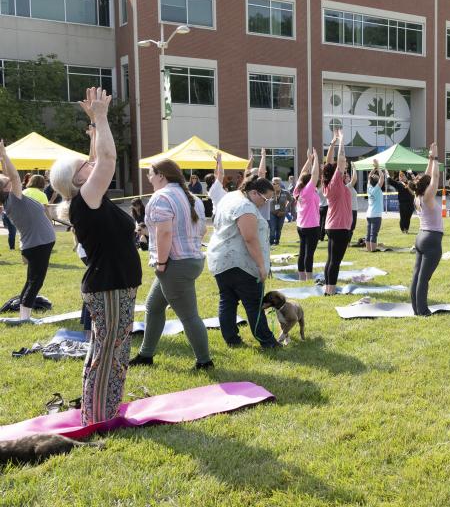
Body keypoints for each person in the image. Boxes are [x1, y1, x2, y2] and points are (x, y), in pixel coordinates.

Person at [50, 87, 142, 426]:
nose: (90, 163)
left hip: (114, 284)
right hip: (110, 286)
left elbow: (96, 159)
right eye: (83, 166)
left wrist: (95, 127)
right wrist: (102, 117)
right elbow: (107, 160)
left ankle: (98, 409)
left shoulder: (89, 199)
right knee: (109, 353)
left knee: (108, 350)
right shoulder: (84, 201)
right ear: (76, 180)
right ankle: (100, 416)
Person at [128, 159, 212, 370]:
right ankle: (146, 355)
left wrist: (162, 262)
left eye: (150, 174)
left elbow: (165, 232)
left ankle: (205, 362)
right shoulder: (192, 198)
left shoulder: (161, 197)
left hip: (175, 263)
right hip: (190, 260)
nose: (148, 178)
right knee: (153, 306)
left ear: (161, 176)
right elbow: (201, 230)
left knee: (189, 315)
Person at [206, 175, 280, 349]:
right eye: (265, 199)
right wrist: (262, 266)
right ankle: (268, 342)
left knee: (228, 300)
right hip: (239, 263)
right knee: (254, 303)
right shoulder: (245, 207)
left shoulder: (231, 196)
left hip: (220, 260)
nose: (265, 203)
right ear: (254, 192)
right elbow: (250, 238)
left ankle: (232, 339)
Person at [0, 142, 57, 323]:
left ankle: (23, 314)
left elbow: (10, 176)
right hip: (37, 245)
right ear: (6, 188)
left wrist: (2, 159)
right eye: (5, 180)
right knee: (35, 281)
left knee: (32, 280)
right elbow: (14, 176)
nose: (8, 177)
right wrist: (4, 153)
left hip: (36, 244)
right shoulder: (15, 199)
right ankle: (24, 317)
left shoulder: (14, 199)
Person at [410, 143, 442, 315]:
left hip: (422, 237)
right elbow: (435, 176)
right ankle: (423, 311)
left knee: (417, 275)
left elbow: (428, 176)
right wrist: (436, 158)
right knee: (424, 278)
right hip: (431, 239)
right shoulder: (428, 196)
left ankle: (416, 307)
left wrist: (430, 158)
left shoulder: (417, 195)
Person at [323, 129, 353, 295]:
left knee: (331, 260)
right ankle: (331, 290)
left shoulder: (329, 184)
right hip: (339, 227)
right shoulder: (336, 183)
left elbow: (329, 162)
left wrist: (333, 143)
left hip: (333, 226)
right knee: (335, 261)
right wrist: (342, 140)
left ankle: (328, 289)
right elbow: (340, 160)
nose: (344, 169)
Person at [292, 147, 321, 280]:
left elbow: (303, 173)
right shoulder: (308, 190)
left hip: (301, 226)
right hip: (311, 226)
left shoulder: (297, 190)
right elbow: (314, 175)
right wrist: (316, 159)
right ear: (308, 182)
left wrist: (309, 160)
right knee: (309, 253)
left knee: (302, 251)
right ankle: (309, 277)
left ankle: (301, 276)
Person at [365, 161, 384, 252]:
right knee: (374, 234)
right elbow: (382, 177)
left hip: (369, 214)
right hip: (376, 215)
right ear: (376, 182)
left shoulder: (369, 187)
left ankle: (369, 249)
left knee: (369, 233)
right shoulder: (377, 188)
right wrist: (378, 168)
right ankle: (373, 250)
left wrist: (374, 169)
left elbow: (369, 177)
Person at [269, 177, 291, 246]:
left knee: (279, 228)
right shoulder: (269, 192)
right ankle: (271, 242)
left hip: (282, 213)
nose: (275, 184)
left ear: (280, 183)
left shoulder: (285, 192)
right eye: (274, 183)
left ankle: (277, 241)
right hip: (272, 213)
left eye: (277, 183)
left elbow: (290, 200)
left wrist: (286, 210)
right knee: (272, 228)